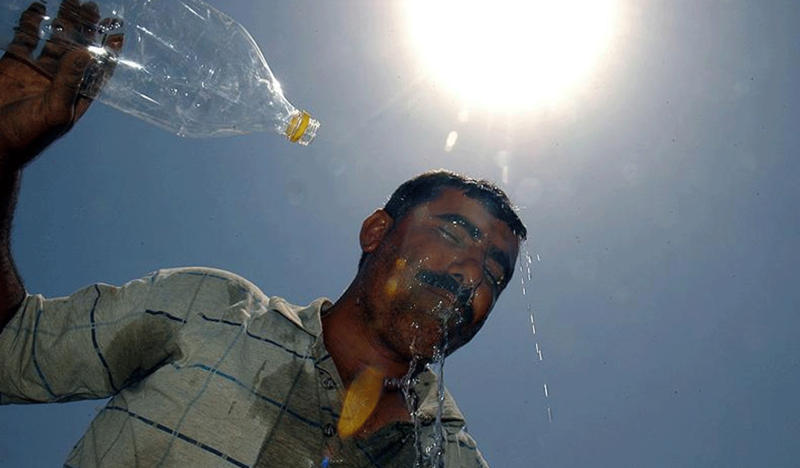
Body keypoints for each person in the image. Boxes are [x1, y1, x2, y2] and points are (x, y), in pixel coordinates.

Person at [0, 2, 527, 467]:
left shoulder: (450, 459)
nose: (471, 274)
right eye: (456, 233)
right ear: (376, 231)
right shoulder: (205, 313)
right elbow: (12, 350)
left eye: (496, 274)